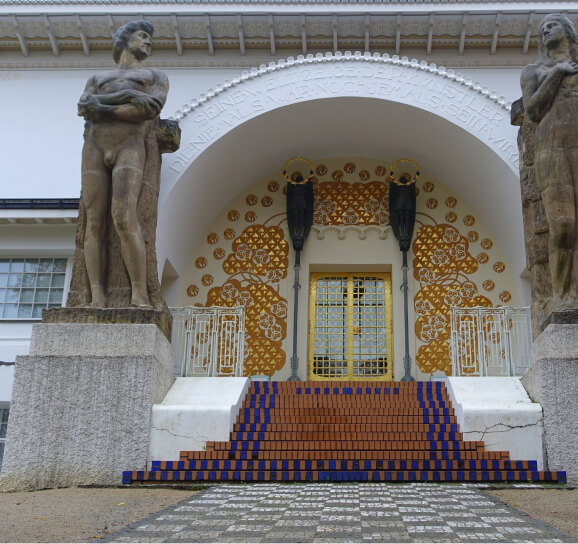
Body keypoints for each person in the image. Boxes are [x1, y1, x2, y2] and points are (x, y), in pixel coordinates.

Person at [77, 20, 169, 308]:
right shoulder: (97, 76)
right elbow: (83, 107)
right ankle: (96, 294)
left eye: (149, 38)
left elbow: (149, 109)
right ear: (125, 39)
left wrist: (102, 107)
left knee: (123, 216)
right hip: (95, 146)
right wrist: (129, 95)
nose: (148, 42)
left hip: (130, 146)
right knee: (94, 220)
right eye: (142, 36)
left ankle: (138, 292)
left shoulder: (155, 75)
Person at [521, 13, 578, 311]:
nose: (545, 30)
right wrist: (558, 72)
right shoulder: (534, 71)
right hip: (551, 149)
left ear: (569, 30)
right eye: (542, 29)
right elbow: (532, 110)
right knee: (564, 225)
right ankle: (564, 297)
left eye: (552, 25)